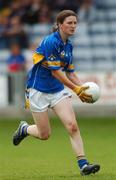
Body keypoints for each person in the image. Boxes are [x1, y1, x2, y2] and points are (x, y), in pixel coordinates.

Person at [12, 10, 100, 176]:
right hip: (38, 89)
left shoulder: (69, 46)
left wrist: (83, 88)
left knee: (72, 126)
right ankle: (24, 129)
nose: (73, 26)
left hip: (57, 91)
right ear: (60, 24)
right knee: (44, 134)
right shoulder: (51, 41)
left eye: (75, 23)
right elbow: (56, 72)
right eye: (69, 23)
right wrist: (75, 90)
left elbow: (70, 72)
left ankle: (83, 165)